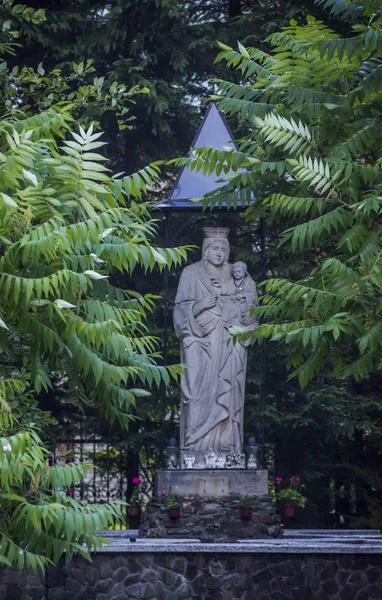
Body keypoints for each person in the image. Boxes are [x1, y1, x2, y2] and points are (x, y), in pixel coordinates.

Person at [173, 228, 258, 457]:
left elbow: (251, 303)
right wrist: (200, 306)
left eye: (224, 249)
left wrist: (247, 313)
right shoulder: (191, 273)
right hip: (198, 340)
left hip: (228, 340)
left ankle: (225, 444)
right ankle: (194, 446)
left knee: (227, 390)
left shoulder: (236, 274)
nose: (220, 253)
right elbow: (179, 313)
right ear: (205, 250)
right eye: (215, 248)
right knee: (195, 391)